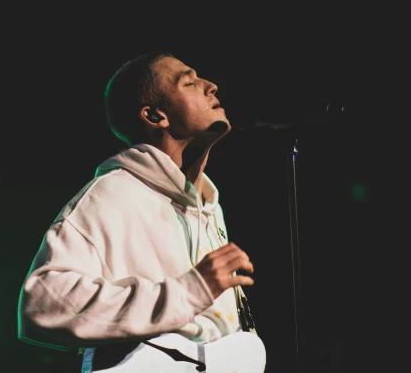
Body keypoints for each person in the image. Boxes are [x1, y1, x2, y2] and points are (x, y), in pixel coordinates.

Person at [18, 51, 262, 371]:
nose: (211, 86)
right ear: (155, 115)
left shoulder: (207, 207)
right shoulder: (111, 195)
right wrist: (188, 292)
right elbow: (43, 306)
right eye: (189, 82)